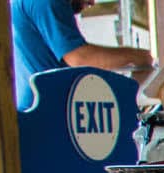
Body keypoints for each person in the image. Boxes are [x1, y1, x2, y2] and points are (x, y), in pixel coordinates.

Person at [11, 0, 153, 110]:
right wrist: (135, 57)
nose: (92, 3)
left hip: (40, 107)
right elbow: (79, 58)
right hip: (45, 112)